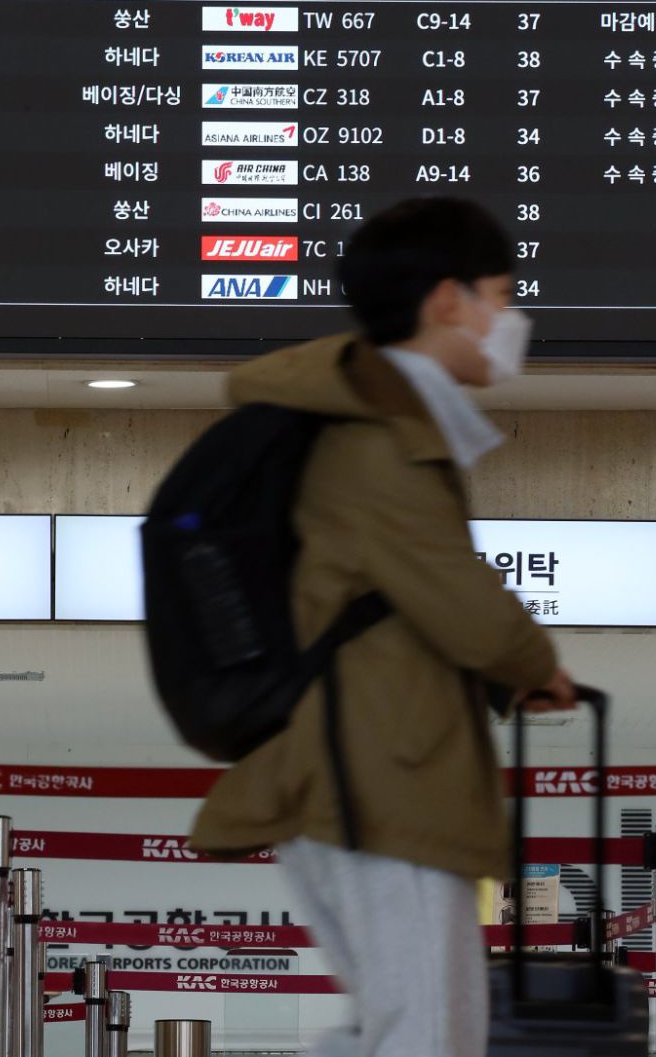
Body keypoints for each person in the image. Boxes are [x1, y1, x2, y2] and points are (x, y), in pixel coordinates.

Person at [190, 197, 575, 1057]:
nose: (510, 321)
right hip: (381, 774)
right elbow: (455, 594)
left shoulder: (363, 418)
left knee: (387, 1026)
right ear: (447, 301)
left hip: (348, 767)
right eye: (500, 297)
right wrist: (533, 663)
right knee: (427, 1030)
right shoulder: (380, 436)